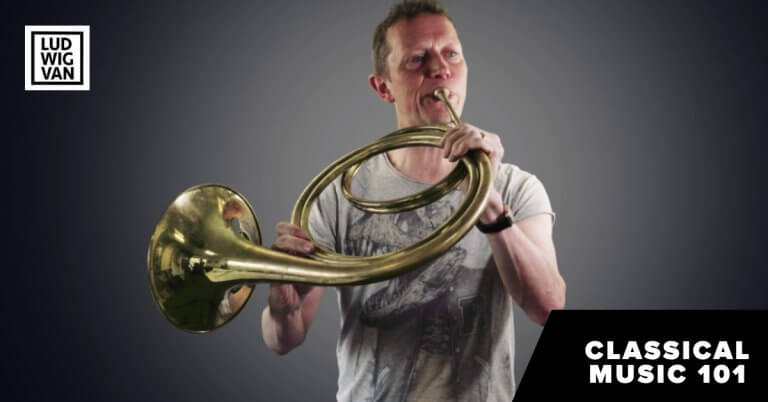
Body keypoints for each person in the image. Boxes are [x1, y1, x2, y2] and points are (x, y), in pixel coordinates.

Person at [261, 1, 566, 400]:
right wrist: (282, 308)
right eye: (417, 59)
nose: (440, 69)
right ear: (383, 87)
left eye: (451, 54)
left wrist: (488, 199)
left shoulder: (516, 188)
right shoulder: (338, 195)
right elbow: (283, 339)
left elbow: (548, 308)